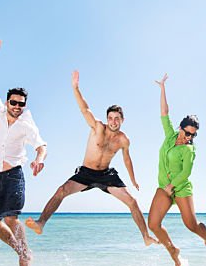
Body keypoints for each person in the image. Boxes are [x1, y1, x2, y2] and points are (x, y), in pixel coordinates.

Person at [24, 71, 156, 247]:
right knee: (61, 191)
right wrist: (75, 88)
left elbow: (127, 160)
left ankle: (146, 236)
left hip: (106, 175)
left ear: (122, 120)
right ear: (107, 118)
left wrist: (133, 179)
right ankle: (41, 223)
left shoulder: (123, 139)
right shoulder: (97, 127)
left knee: (132, 202)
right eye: (110, 118)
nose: (113, 122)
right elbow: (84, 109)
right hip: (86, 173)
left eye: (117, 119)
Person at [0, 38, 48, 266]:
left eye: (21, 104)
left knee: (11, 218)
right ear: (7, 102)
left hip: (13, 176)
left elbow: (41, 145)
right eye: (14, 102)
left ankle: (24, 260)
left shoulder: (26, 124)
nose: (17, 107)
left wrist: (39, 159)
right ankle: (23, 251)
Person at [146, 74, 206, 266]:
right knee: (153, 224)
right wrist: (162, 88)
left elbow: (185, 173)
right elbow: (164, 113)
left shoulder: (189, 149)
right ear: (180, 128)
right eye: (187, 132)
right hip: (164, 186)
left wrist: (171, 186)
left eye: (193, 135)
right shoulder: (170, 136)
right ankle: (173, 251)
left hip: (180, 187)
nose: (189, 137)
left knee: (191, 225)